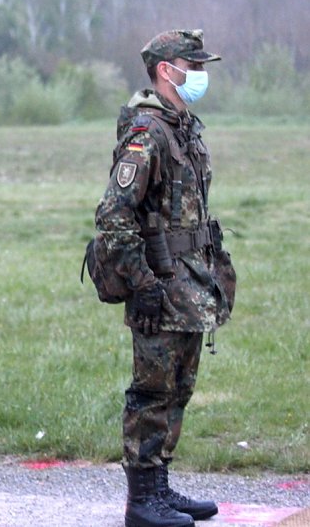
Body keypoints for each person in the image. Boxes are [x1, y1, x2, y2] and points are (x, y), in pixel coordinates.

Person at [94, 30, 236, 527]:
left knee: (179, 386)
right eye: (190, 65)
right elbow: (114, 214)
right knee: (152, 390)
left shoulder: (184, 127)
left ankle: (160, 486)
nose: (199, 74)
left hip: (190, 281)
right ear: (164, 71)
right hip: (159, 283)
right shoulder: (147, 133)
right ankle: (141, 502)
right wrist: (142, 284)